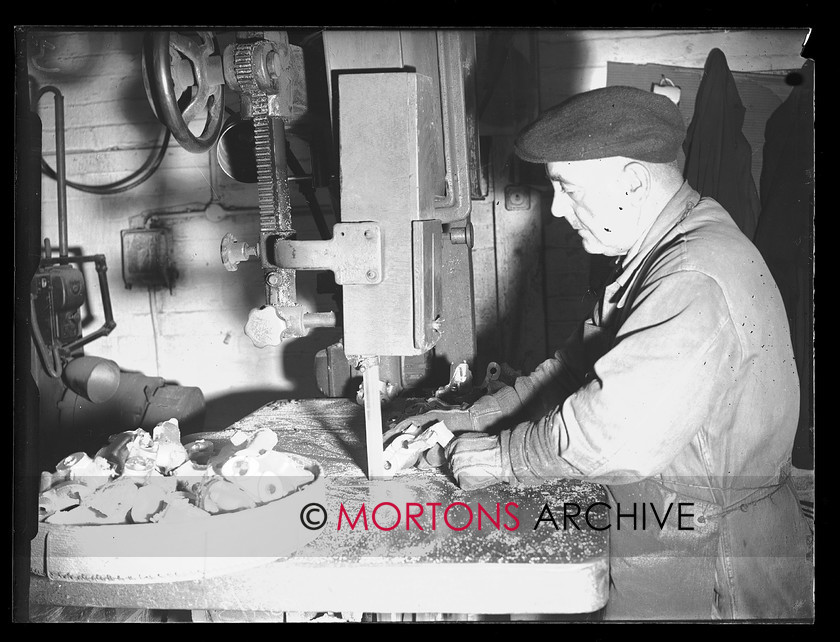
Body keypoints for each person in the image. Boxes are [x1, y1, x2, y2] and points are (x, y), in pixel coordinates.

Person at [391, 86, 813, 620]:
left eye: (566, 188)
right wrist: (469, 419)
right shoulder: (658, 252)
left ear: (633, 181)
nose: (559, 210)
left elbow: (612, 435)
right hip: (665, 524)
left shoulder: (693, 276)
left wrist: (503, 458)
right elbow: (572, 367)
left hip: (713, 558)